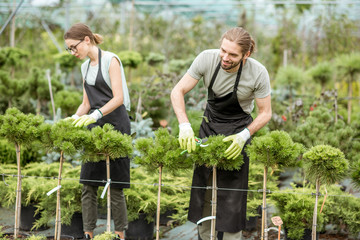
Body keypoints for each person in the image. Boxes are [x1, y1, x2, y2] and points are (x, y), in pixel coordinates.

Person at [171, 27, 272, 239]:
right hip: (210, 126)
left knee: (232, 195)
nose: (225, 58)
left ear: (246, 54)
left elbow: (265, 113)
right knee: (204, 189)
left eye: (233, 54)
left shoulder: (258, 72)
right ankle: (205, 236)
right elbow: (177, 91)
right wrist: (184, 125)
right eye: (223, 50)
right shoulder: (206, 59)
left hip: (238, 130)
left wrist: (244, 135)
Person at [63, 23, 131, 240]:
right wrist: (75, 117)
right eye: (69, 49)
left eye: (74, 47)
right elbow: (86, 103)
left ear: (86, 40)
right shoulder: (85, 67)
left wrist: (96, 114)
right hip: (94, 128)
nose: (73, 52)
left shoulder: (111, 60)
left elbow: (118, 97)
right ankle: (88, 234)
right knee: (88, 184)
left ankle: (119, 235)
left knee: (116, 186)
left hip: (116, 126)